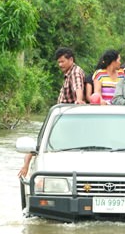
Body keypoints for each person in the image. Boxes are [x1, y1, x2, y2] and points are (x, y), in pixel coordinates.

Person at [19, 47, 85, 177]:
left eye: (62, 61)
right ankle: (26, 164)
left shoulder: (75, 72)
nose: (60, 65)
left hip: (66, 117)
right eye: (59, 62)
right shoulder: (69, 74)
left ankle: (26, 165)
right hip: (61, 116)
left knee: (42, 139)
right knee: (42, 140)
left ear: (71, 60)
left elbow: (78, 86)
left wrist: (79, 100)